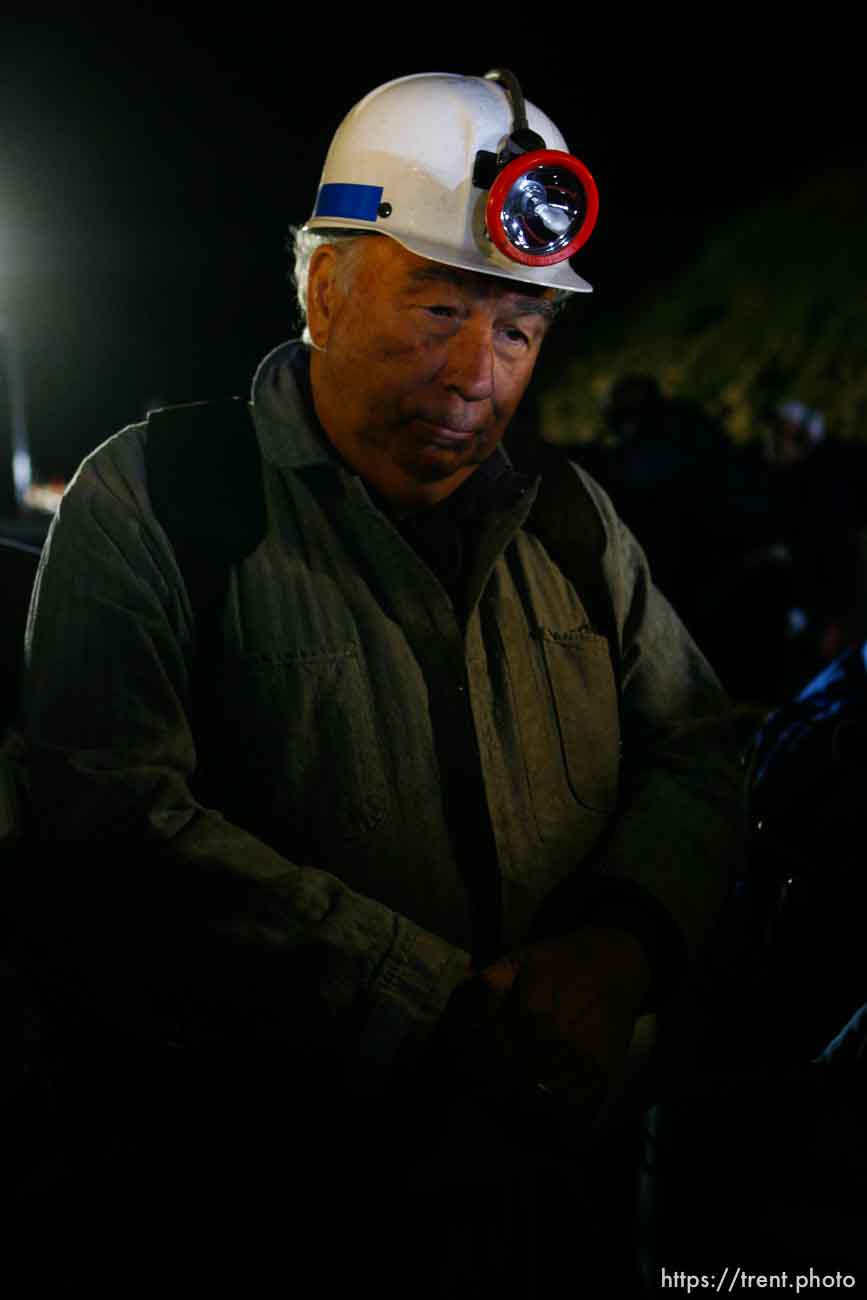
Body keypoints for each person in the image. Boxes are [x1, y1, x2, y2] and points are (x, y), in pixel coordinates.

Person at [7, 69, 743, 1291]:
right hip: (257, 1221)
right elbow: (108, 818)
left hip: (560, 1214)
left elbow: (701, 742)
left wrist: (616, 953)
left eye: (517, 329)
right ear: (322, 287)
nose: (476, 377)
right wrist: (448, 1015)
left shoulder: (573, 525)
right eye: (440, 308)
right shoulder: (160, 502)